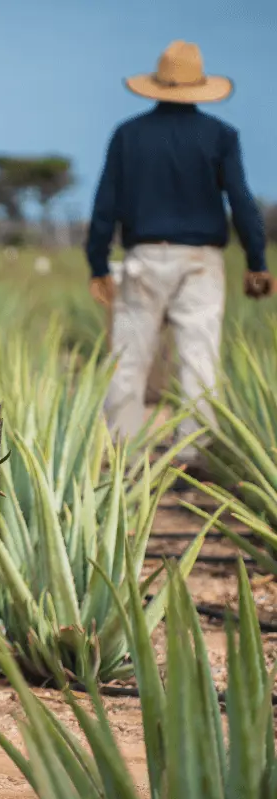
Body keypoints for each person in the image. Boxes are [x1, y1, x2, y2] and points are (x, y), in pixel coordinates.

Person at [85, 40, 273, 478]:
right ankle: (194, 453)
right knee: (199, 357)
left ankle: (123, 453)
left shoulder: (128, 134)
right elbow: (242, 203)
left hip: (144, 257)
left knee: (129, 358)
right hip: (201, 261)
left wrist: (97, 262)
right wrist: (257, 260)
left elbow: (104, 204)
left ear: (156, 85)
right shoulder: (221, 136)